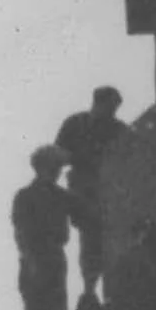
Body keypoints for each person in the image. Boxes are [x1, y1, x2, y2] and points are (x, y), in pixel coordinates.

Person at [11, 145, 73, 310]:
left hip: (53, 258)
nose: (58, 172)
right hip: (35, 258)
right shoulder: (25, 196)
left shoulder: (61, 196)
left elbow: (87, 213)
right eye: (55, 167)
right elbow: (21, 232)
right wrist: (31, 261)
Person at [53, 86, 128, 277]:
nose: (113, 112)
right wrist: (80, 159)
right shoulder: (74, 124)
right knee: (90, 241)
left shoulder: (118, 129)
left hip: (112, 191)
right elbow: (58, 154)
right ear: (99, 103)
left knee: (113, 240)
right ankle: (90, 290)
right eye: (110, 106)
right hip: (85, 190)